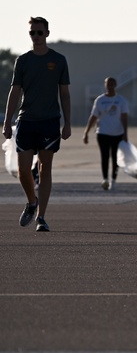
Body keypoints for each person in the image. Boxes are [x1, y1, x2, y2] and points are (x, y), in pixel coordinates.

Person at [3, 17, 72, 232]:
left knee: (44, 168)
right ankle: (31, 202)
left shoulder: (59, 60)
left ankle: (41, 216)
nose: (36, 36)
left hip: (49, 121)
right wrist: (6, 122)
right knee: (23, 170)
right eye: (33, 32)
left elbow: (64, 94)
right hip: (26, 120)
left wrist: (68, 123)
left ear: (47, 34)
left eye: (40, 32)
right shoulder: (23, 61)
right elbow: (15, 92)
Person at [83, 77, 129, 190]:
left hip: (117, 133)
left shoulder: (121, 100)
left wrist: (125, 133)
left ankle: (113, 179)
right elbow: (93, 116)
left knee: (115, 157)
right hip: (103, 133)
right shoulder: (100, 100)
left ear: (116, 85)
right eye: (108, 83)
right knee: (104, 156)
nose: (110, 85)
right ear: (105, 85)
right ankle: (105, 179)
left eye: (112, 83)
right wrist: (86, 132)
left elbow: (124, 117)